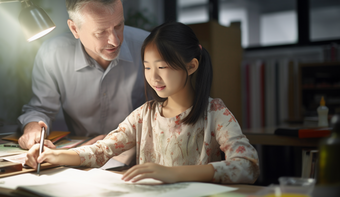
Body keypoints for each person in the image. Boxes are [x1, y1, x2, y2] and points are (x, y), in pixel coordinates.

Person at [25, 22, 260, 184]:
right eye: (147, 67)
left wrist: (174, 174)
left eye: (163, 67)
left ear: (191, 66)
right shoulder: (144, 115)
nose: (154, 77)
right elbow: (102, 150)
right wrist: (54, 156)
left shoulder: (214, 112)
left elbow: (247, 166)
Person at [17, 0, 149, 150]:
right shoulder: (53, 54)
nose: (115, 41)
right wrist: (33, 127)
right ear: (74, 29)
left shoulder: (146, 47)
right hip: (81, 155)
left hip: (138, 152)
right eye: (101, 32)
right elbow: (41, 109)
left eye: (119, 26)